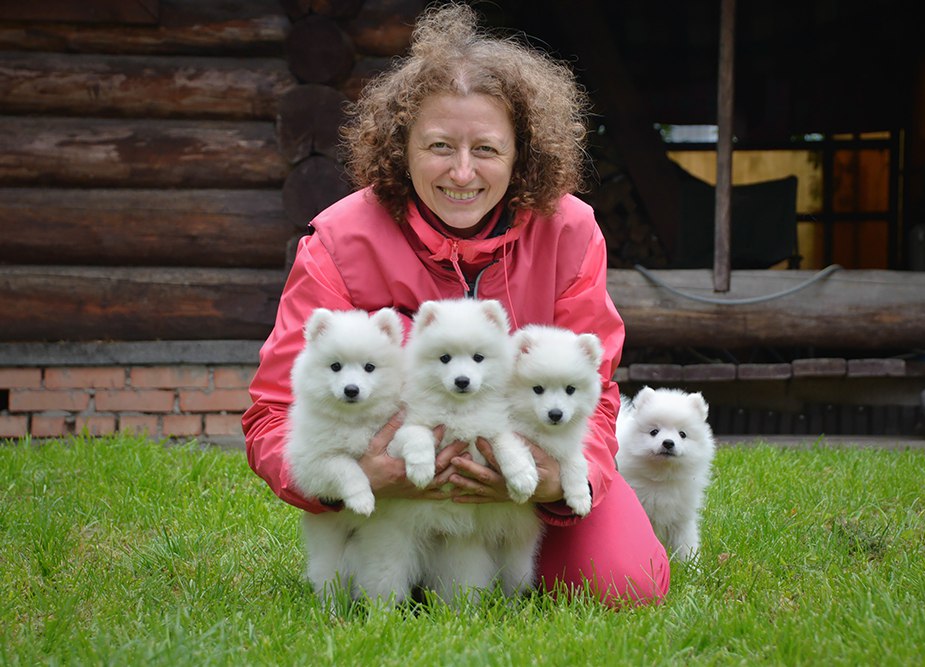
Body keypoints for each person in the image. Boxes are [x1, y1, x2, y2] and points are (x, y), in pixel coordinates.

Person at [242, 2, 669, 606]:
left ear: (523, 151)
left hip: (526, 484)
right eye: (439, 145)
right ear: (402, 147)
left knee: (627, 584)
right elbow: (274, 410)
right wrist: (356, 477)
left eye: (487, 150)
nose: (462, 173)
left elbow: (593, 395)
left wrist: (561, 479)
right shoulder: (340, 240)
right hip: (390, 499)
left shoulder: (570, 232)